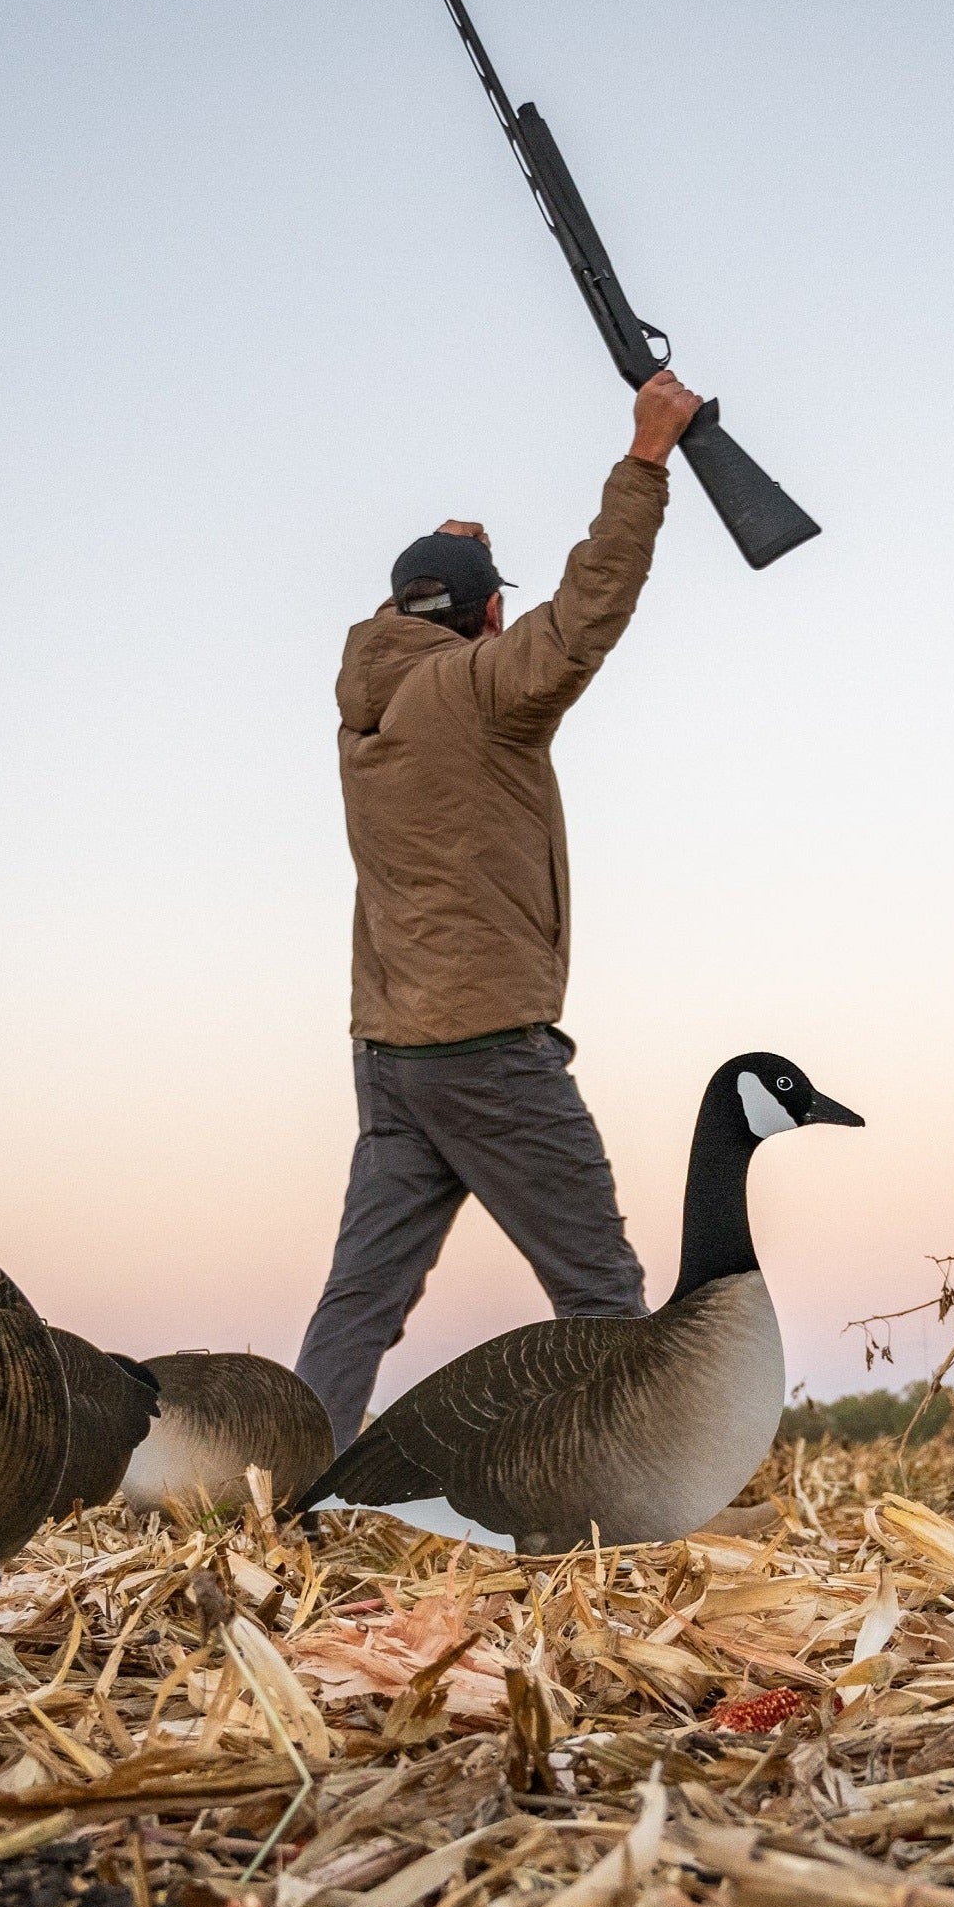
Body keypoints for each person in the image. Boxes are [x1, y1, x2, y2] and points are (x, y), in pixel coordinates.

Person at [295, 365, 704, 1444]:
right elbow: (583, 617)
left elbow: (415, 620)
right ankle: (627, 1489)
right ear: (487, 615)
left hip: (389, 1055)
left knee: (360, 1304)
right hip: (486, 1051)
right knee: (602, 1292)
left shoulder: (364, 706)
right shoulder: (478, 691)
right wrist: (644, 460)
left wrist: (443, 569)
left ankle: (283, 1488)